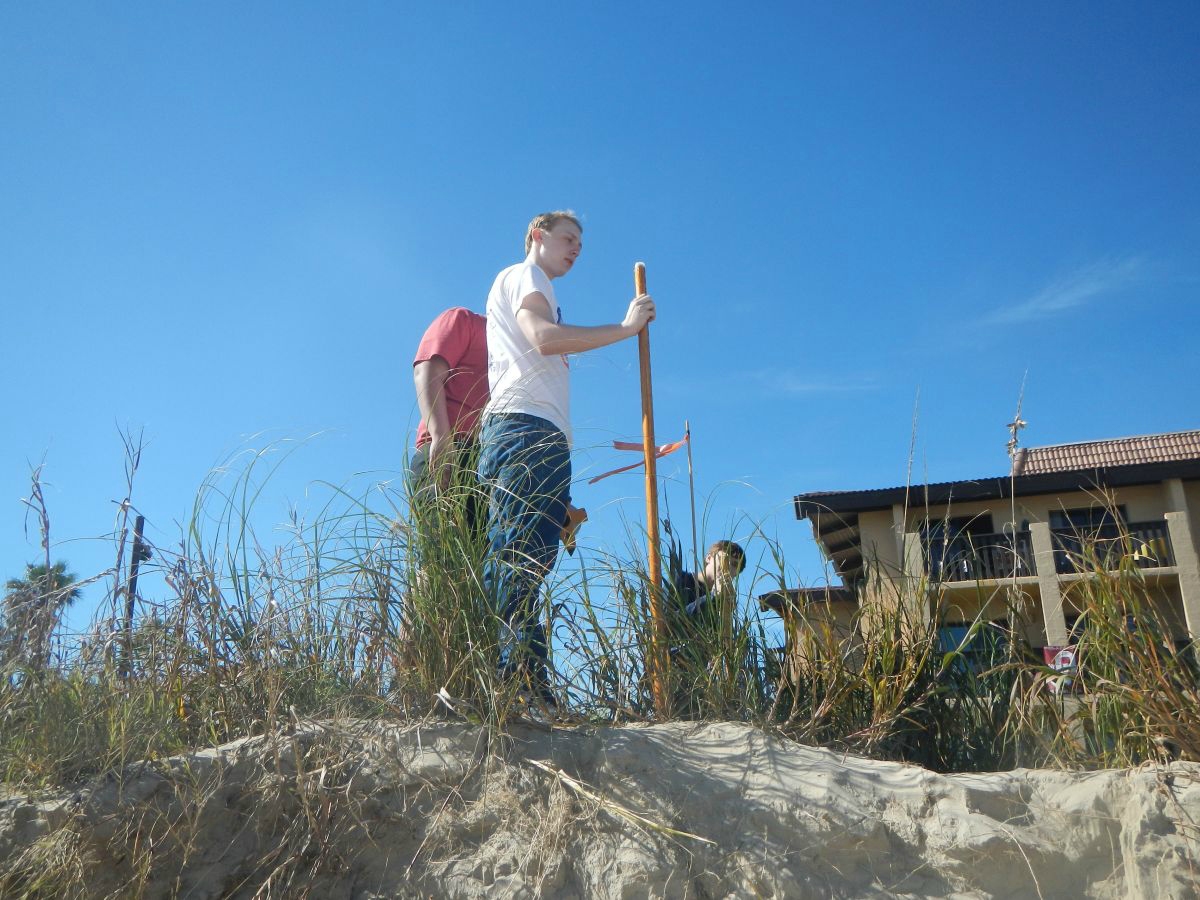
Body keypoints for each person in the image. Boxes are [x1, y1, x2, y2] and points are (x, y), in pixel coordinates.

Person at [479, 210, 656, 704]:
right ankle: (516, 689)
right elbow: (544, 338)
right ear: (537, 236)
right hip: (526, 431)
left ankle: (523, 686)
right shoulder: (526, 275)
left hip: (534, 433)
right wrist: (625, 328)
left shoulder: (530, 284)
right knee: (519, 559)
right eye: (568, 238)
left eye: (580, 243)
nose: (576, 249)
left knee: (524, 560)